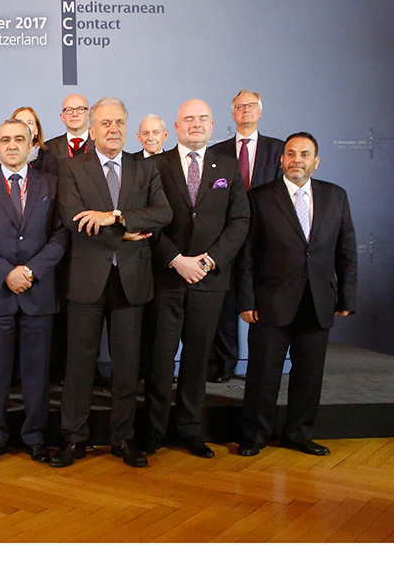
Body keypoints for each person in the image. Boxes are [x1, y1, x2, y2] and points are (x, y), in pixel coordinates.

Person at [50, 97, 172, 469]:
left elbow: (162, 213)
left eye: (119, 122)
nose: (113, 129)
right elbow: (75, 221)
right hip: (87, 279)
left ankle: (122, 438)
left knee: (126, 365)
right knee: (79, 365)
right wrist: (128, 232)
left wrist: (115, 216)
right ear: (92, 127)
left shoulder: (143, 166)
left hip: (132, 281)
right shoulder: (72, 167)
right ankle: (74, 438)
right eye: (105, 123)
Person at [236, 133, 356, 457]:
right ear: (281, 160)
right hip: (270, 302)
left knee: (309, 374)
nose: (296, 160)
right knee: (263, 374)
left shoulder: (336, 196)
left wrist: (347, 297)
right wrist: (246, 300)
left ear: (316, 162)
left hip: (318, 301)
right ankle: (255, 436)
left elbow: (346, 251)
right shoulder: (260, 197)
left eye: (304, 154)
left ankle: (299, 433)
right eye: (290, 154)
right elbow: (246, 255)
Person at [144, 100, 249, 458]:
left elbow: (240, 221)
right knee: (159, 359)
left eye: (202, 118)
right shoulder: (156, 165)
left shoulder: (229, 167)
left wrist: (209, 260)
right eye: (188, 118)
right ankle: (154, 431)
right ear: (176, 126)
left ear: (213, 124)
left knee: (197, 358)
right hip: (166, 277)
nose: (196, 124)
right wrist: (176, 259)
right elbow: (148, 222)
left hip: (209, 279)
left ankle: (189, 431)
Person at [0, 119, 68, 464]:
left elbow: (60, 236)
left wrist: (31, 272)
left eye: (19, 139)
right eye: (5, 140)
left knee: (37, 373)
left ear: (30, 146)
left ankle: (35, 438)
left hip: (38, 294)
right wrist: (6, 274)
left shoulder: (52, 184)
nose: (12, 145)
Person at [209, 90, 284, 383]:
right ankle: (224, 365)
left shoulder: (279, 149)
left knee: (262, 302)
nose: (245, 111)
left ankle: (261, 368)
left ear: (260, 111)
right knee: (225, 303)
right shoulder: (218, 151)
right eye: (240, 107)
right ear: (232, 113)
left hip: (266, 236)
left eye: (251, 106)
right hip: (228, 234)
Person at [44, 94, 90, 159]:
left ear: (89, 115)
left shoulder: (101, 144)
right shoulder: (49, 148)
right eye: (69, 110)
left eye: (80, 109)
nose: (74, 114)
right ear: (62, 117)